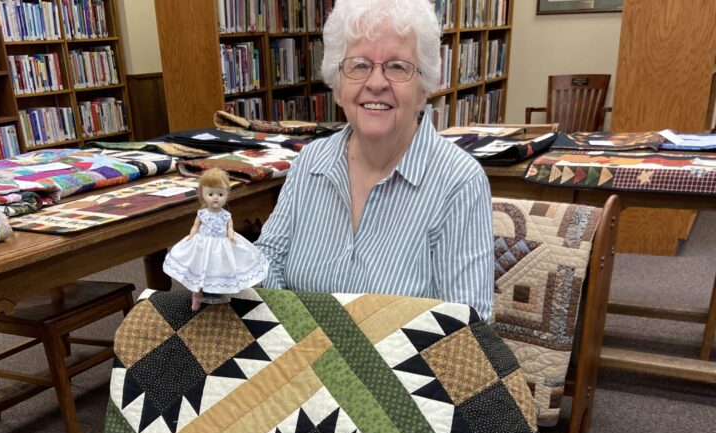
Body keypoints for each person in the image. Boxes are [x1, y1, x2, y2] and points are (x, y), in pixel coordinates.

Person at [255, 0, 494, 320]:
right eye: (359, 65)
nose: (376, 83)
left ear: (423, 89)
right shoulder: (311, 161)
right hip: (298, 360)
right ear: (338, 86)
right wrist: (225, 264)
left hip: (406, 368)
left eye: (397, 66)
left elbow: (468, 324)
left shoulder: (459, 181)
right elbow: (268, 259)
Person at [163, 168, 268, 310]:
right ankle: (197, 294)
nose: (215, 198)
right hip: (203, 244)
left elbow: (229, 228)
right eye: (210, 194)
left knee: (221, 267)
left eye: (220, 194)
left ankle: (219, 292)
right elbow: (195, 227)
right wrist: (192, 235)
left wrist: (230, 235)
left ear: (227, 195)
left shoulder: (226, 215)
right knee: (199, 269)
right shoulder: (202, 213)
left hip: (221, 244)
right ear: (202, 194)